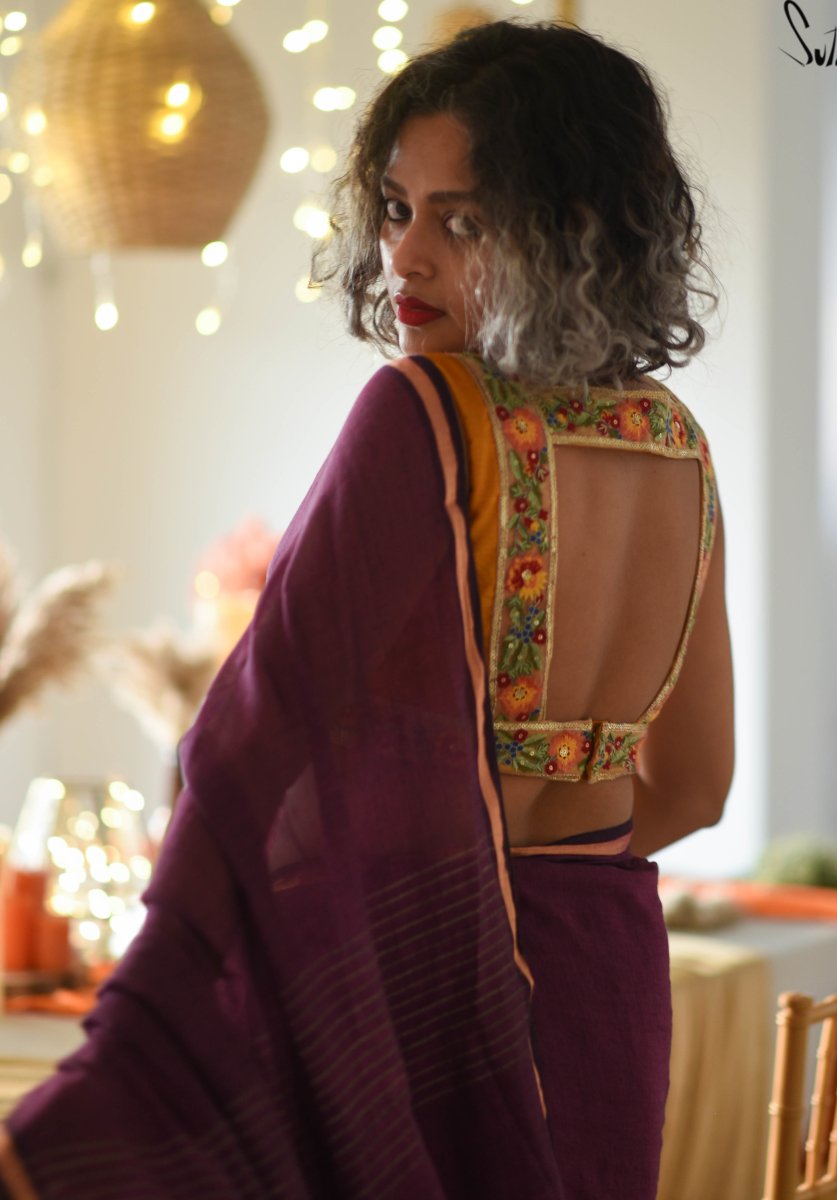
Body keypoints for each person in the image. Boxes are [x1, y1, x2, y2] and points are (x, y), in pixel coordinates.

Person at [0, 20, 733, 1200]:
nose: (407, 258)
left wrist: (404, 908)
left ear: (571, 230)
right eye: (396, 209)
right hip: (609, 981)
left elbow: (246, 747)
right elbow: (695, 786)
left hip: (438, 1002)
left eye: (464, 221)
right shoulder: (674, 444)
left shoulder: (425, 409)